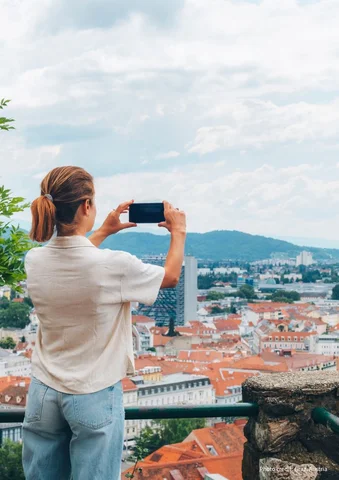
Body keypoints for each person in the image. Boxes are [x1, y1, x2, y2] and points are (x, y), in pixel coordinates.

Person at [22, 166, 186, 480]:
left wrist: (104, 231)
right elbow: (170, 276)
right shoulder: (114, 265)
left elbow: (75, 257)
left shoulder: (35, 260)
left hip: (43, 390)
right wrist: (178, 231)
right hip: (92, 391)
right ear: (86, 206)